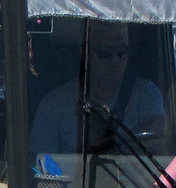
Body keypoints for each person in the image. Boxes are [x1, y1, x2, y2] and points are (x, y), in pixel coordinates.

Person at [30, 22, 165, 155]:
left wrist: (113, 143)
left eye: (122, 52)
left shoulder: (146, 94)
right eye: (105, 52)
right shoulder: (55, 104)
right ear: (85, 53)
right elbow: (40, 164)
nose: (116, 60)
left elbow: (160, 139)